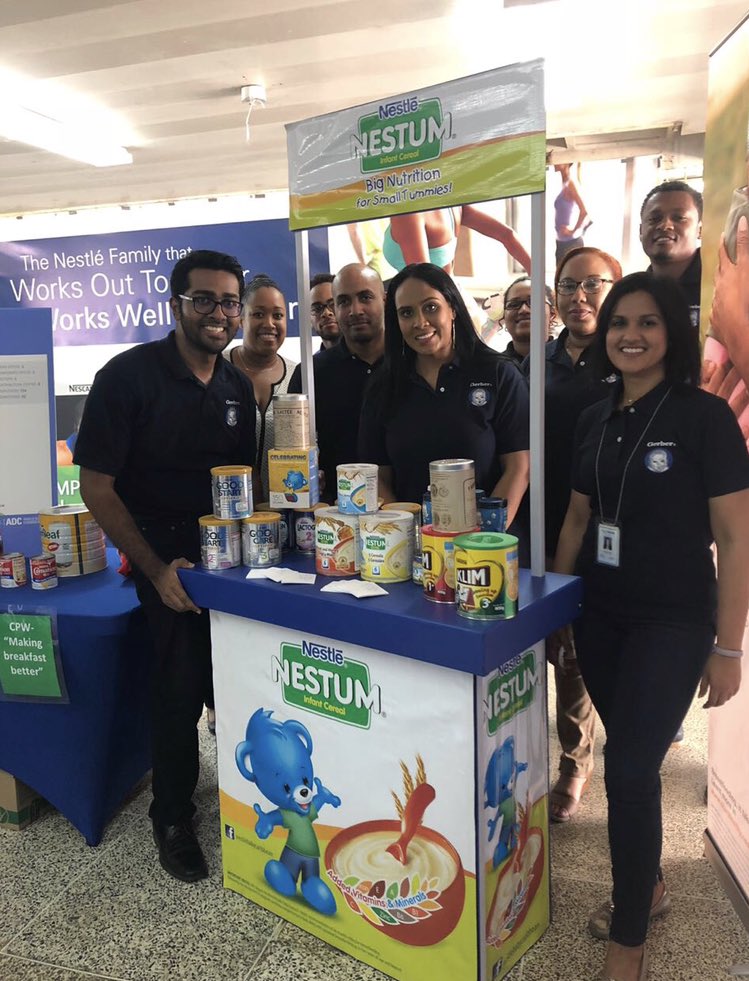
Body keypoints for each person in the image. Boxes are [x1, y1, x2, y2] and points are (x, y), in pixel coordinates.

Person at [552, 272, 749, 981]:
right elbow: (577, 518)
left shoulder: (703, 417)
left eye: (646, 322)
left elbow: (734, 533)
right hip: (600, 617)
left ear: (670, 331)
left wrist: (728, 646)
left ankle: (627, 937)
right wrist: (558, 609)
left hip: (674, 618)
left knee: (629, 769)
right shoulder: (592, 416)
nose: (629, 335)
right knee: (632, 766)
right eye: (617, 324)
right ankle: (652, 885)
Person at [74, 250, 256, 883]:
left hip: (225, 557)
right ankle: (172, 815)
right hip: (159, 552)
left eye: (230, 301)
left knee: (236, 680)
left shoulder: (234, 386)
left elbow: (244, 484)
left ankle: (248, 795)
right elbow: (96, 486)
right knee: (177, 686)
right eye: (203, 299)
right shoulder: (127, 377)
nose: (219, 313)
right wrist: (155, 570)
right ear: (174, 304)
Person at [522, 246, 623, 823]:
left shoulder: (627, 355)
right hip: (543, 519)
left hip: (607, 527)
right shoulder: (538, 360)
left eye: (593, 284)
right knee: (551, 646)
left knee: (579, 656)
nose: (579, 296)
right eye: (568, 286)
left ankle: (575, 760)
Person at [358, 262, 530, 527]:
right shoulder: (383, 386)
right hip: (411, 551)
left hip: (487, 548)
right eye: (406, 313)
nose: (420, 322)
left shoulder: (499, 374)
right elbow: (377, 477)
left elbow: (519, 468)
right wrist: (406, 535)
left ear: (452, 309)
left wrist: (482, 539)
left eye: (431, 307)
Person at [288, 263, 385, 503]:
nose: (355, 310)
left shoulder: (412, 363)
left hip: (407, 508)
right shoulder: (310, 374)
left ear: (384, 299)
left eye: (365, 297)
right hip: (337, 514)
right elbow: (292, 455)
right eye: (342, 301)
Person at [224, 273, 297, 499]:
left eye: (278, 315)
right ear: (241, 319)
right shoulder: (218, 369)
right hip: (225, 512)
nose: (269, 324)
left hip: (287, 512)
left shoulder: (299, 374)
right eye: (258, 314)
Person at [383, 205, 531, 276]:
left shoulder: (410, 213)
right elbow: (508, 235)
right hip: (449, 296)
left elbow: (422, 279)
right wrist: (538, 279)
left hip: (425, 304)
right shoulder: (454, 206)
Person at [639, 179, 703, 327]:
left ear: (700, 230)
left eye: (679, 218)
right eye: (654, 219)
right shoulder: (634, 291)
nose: (665, 225)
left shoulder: (719, 285)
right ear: (641, 231)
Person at [500, 275, 556, 366]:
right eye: (513, 304)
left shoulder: (571, 362)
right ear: (504, 317)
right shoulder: (494, 369)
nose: (524, 310)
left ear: (552, 314)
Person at [553, 163, 590, 266]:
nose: (555, 163)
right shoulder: (564, 183)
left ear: (566, 163)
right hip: (561, 241)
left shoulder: (570, 184)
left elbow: (584, 212)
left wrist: (573, 230)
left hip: (570, 243)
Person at [309, 273, 340, 351]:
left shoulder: (371, 359)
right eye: (317, 308)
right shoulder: (312, 363)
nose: (326, 313)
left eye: (333, 304)